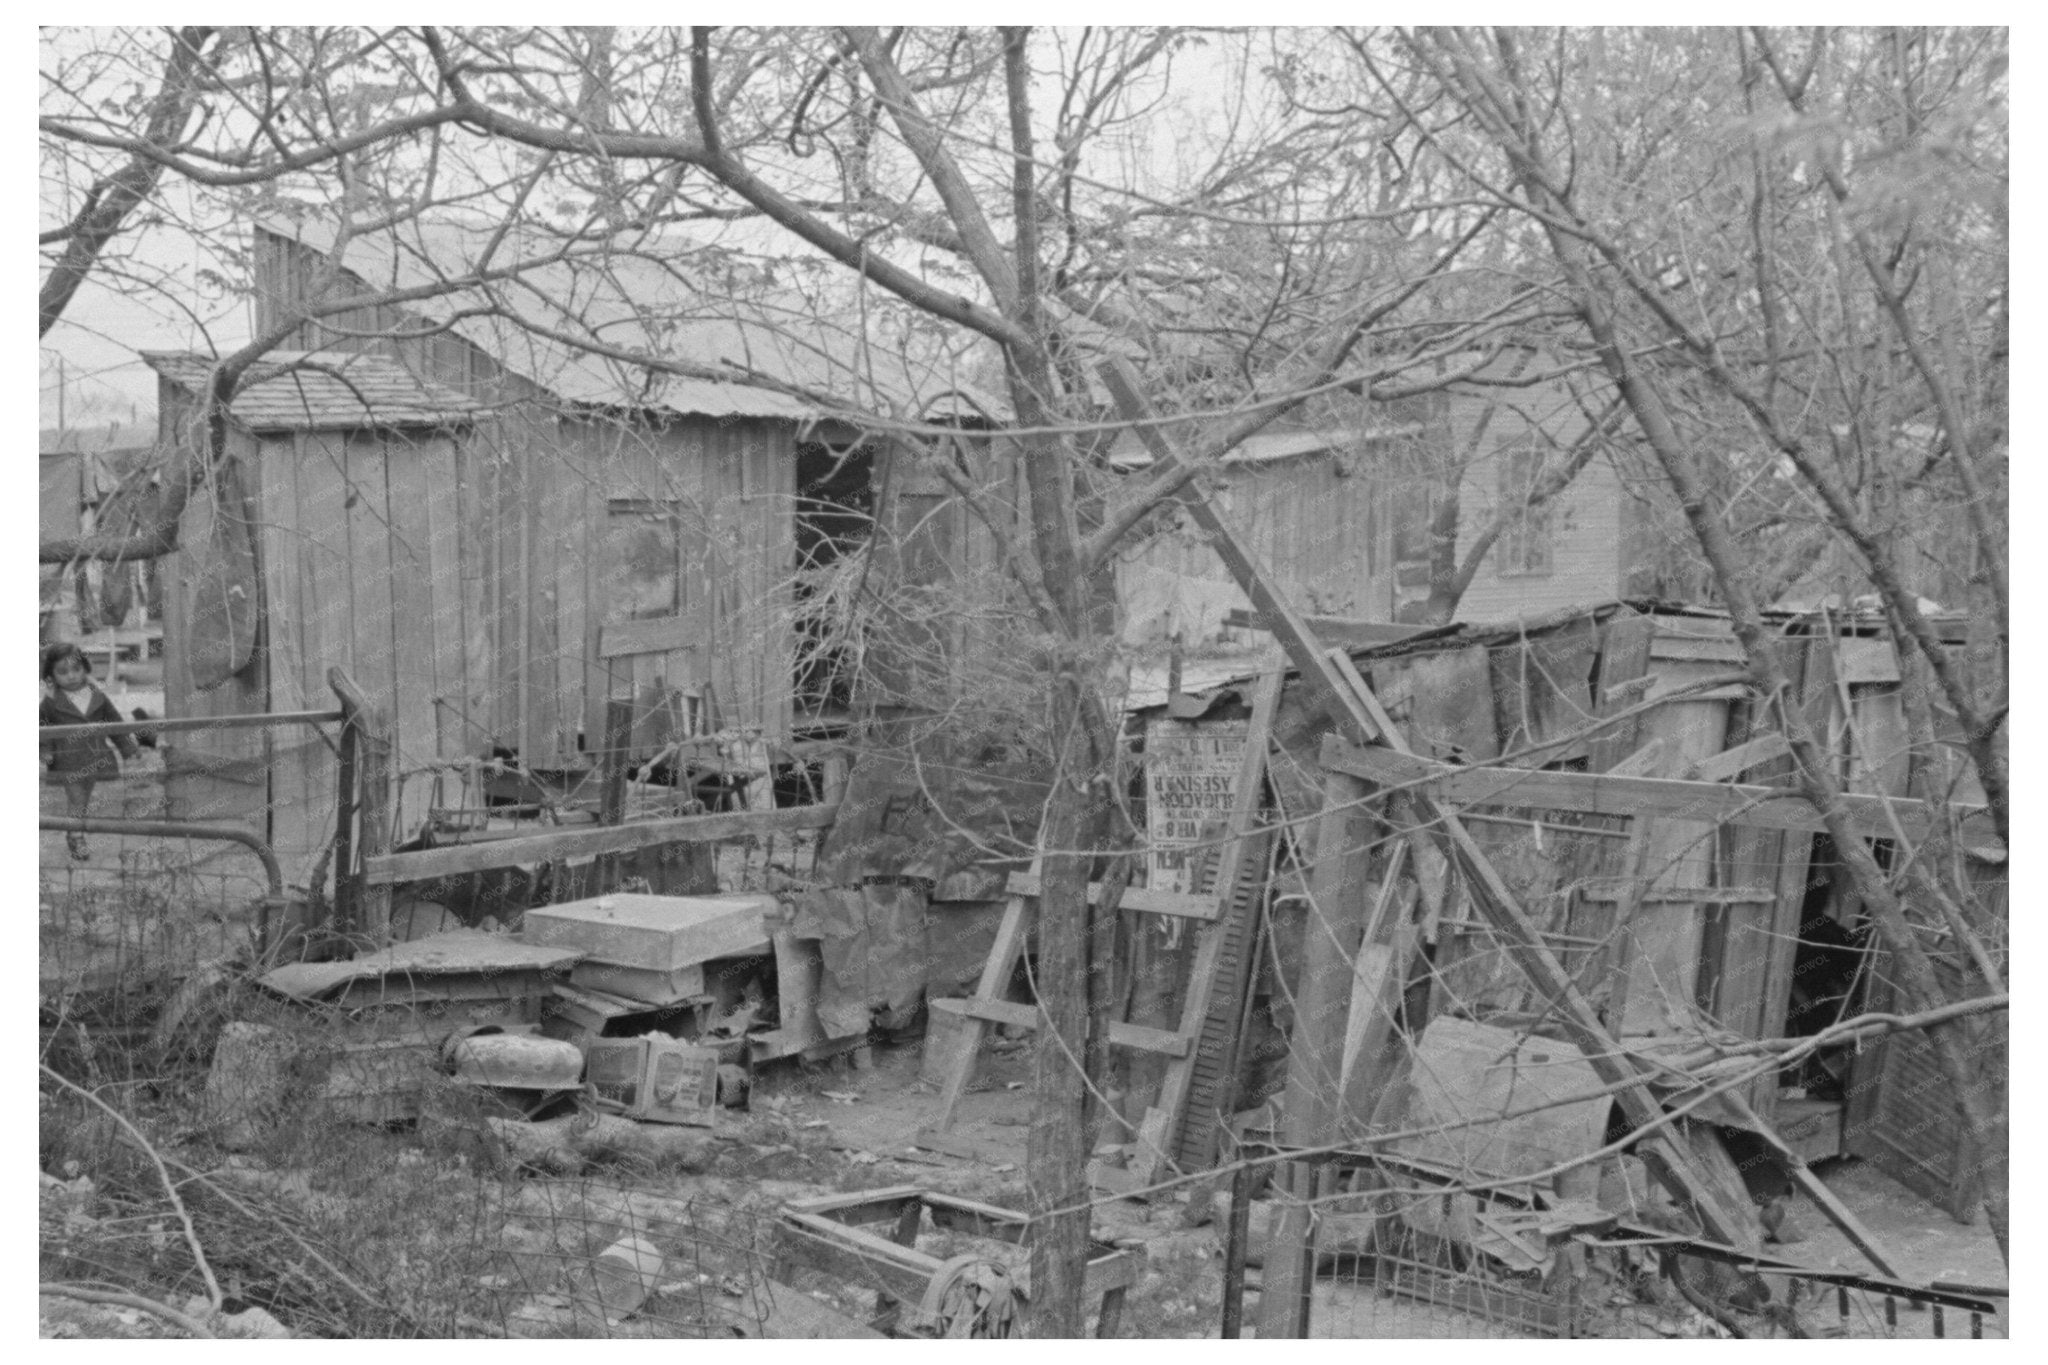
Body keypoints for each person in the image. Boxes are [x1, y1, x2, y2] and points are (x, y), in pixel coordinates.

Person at [39, 642, 139, 861]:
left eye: (76, 669)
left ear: (85, 668)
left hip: (95, 757)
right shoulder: (50, 702)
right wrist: (44, 750)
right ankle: (76, 837)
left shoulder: (98, 696)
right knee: (76, 798)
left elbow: (115, 724)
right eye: (63, 672)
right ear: (52, 676)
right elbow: (41, 728)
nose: (72, 676)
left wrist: (127, 748)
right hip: (67, 760)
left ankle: (74, 830)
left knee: (83, 798)